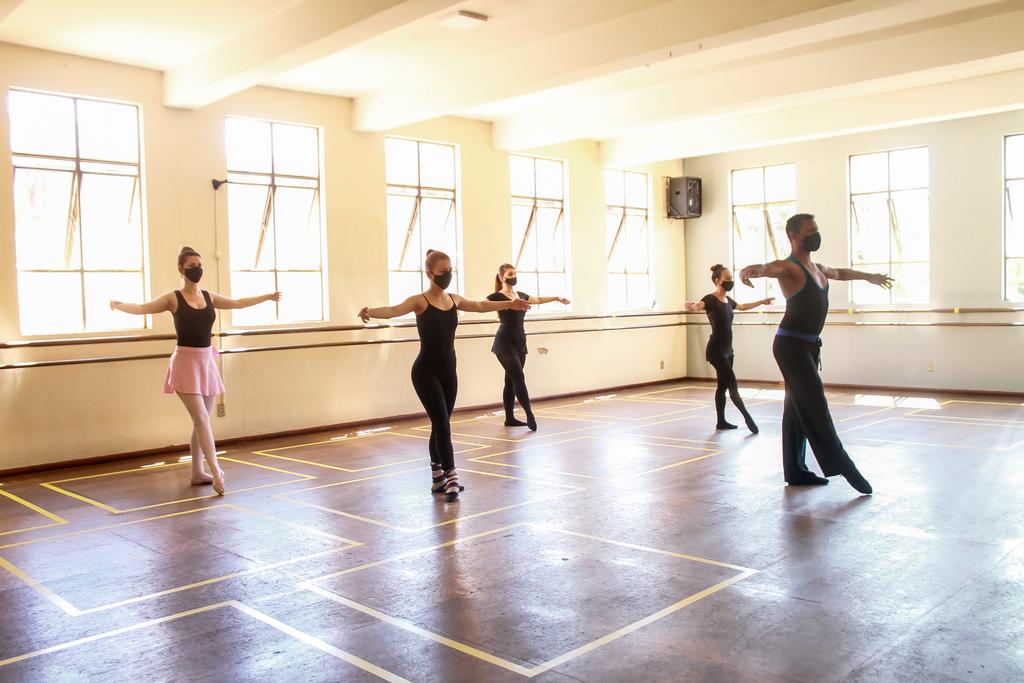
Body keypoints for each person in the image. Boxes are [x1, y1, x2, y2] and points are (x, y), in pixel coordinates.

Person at [739, 213, 892, 494]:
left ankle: (796, 471)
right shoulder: (790, 267)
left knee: (796, 408)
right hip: (790, 346)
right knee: (815, 403)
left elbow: (841, 273)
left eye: (816, 229)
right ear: (794, 236)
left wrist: (869, 277)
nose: (816, 234)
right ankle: (843, 466)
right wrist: (749, 270)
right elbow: (766, 267)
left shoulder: (818, 268)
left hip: (809, 346)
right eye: (811, 230)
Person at [358, 250, 530, 500]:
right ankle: (452, 476)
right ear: (429, 273)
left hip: (449, 371)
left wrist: (509, 303)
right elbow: (394, 310)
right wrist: (370, 311)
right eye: (442, 272)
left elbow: (480, 305)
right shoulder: (420, 301)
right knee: (442, 424)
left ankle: (436, 476)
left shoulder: (454, 299)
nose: (448, 275)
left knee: (440, 425)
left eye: (450, 270)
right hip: (425, 371)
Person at [110, 246, 281, 495]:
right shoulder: (173, 298)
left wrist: (267, 296)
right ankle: (216, 471)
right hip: (185, 364)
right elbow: (142, 308)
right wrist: (118, 304)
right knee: (201, 419)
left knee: (201, 422)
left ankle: (197, 472)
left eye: (200, 265)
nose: (197, 269)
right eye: (192, 266)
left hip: (206, 362)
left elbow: (238, 303)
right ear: (181, 269)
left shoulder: (209, 296)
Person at [685, 264, 773, 432]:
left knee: (722, 387)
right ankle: (749, 420)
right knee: (733, 386)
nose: (731, 281)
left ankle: (721, 422)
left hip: (728, 351)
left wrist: (762, 302)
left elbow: (742, 307)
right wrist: (691, 306)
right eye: (728, 279)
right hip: (716, 351)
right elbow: (698, 306)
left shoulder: (728, 301)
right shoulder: (710, 299)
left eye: (731, 279)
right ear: (718, 281)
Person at [487, 263, 570, 431]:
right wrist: (507, 304)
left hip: (520, 342)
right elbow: (482, 305)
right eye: (510, 274)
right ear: (502, 277)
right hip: (504, 343)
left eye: (515, 273)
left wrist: (557, 298)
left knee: (510, 380)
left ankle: (509, 418)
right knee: (518, 377)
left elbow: (538, 300)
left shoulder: (522, 295)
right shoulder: (496, 296)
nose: (514, 276)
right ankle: (530, 414)